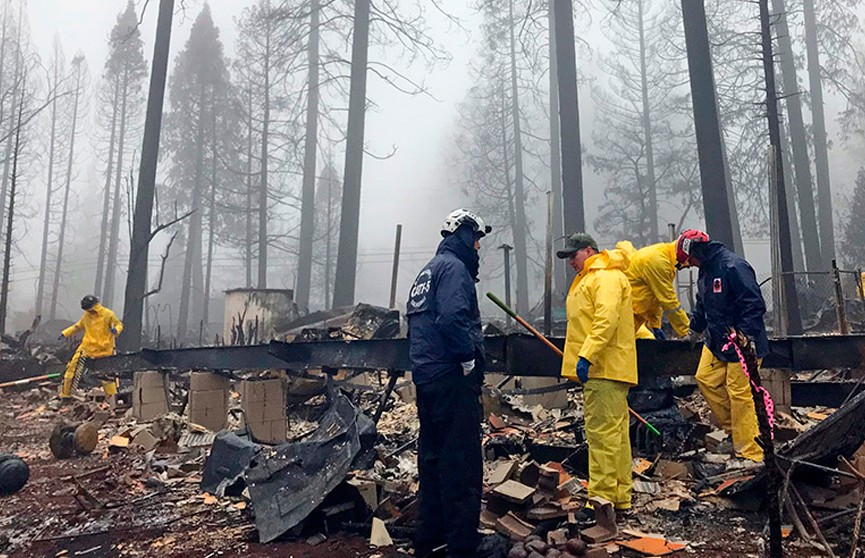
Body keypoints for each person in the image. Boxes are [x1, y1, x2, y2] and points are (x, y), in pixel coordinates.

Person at [406, 209, 489, 558]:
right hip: (453, 378)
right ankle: (461, 545)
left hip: (427, 378)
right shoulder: (454, 270)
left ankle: (431, 537)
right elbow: (453, 317)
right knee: (462, 462)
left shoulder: (428, 271)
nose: (479, 248)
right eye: (477, 239)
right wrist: (467, 357)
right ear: (465, 235)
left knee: (433, 459)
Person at [557, 233, 637, 511]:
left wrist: (586, 356)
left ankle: (601, 500)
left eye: (573, 255)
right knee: (616, 436)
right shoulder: (595, 277)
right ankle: (619, 498)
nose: (570, 262)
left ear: (589, 251)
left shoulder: (604, 277)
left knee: (602, 436)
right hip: (607, 368)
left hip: (603, 368)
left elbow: (606, 319)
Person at [676, 229, 768, 462]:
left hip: (741, 342)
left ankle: (751, 451)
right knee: (705, 378)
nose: (692, 265)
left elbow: (754, 304)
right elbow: (702, 304)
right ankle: (735, 432)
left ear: (698, 251)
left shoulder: (733, 267)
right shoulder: (706, 270)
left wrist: (745, 335)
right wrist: (694, 330)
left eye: (691, 260)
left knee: (741, 395)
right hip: (717, 340)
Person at [616, 240, 690, 340]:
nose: (690, 266)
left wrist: (655, 324)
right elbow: (668, 301)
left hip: (633, 315)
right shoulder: (658, 262)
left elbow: (655, 295)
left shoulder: (664, 258)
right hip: (625, 315)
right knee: (617, 348)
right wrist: (687, 332)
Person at [59, 295, 123, 406]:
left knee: (107, 377)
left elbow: (119, 324)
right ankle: (66, 396)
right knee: (71, 370)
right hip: (86, 348)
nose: (88, 311)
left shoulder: (108, 314)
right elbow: (77, 326)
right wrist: (65, 333)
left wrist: (116, 330)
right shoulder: (87, 316)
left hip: (103, 351)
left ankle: (113, 400)